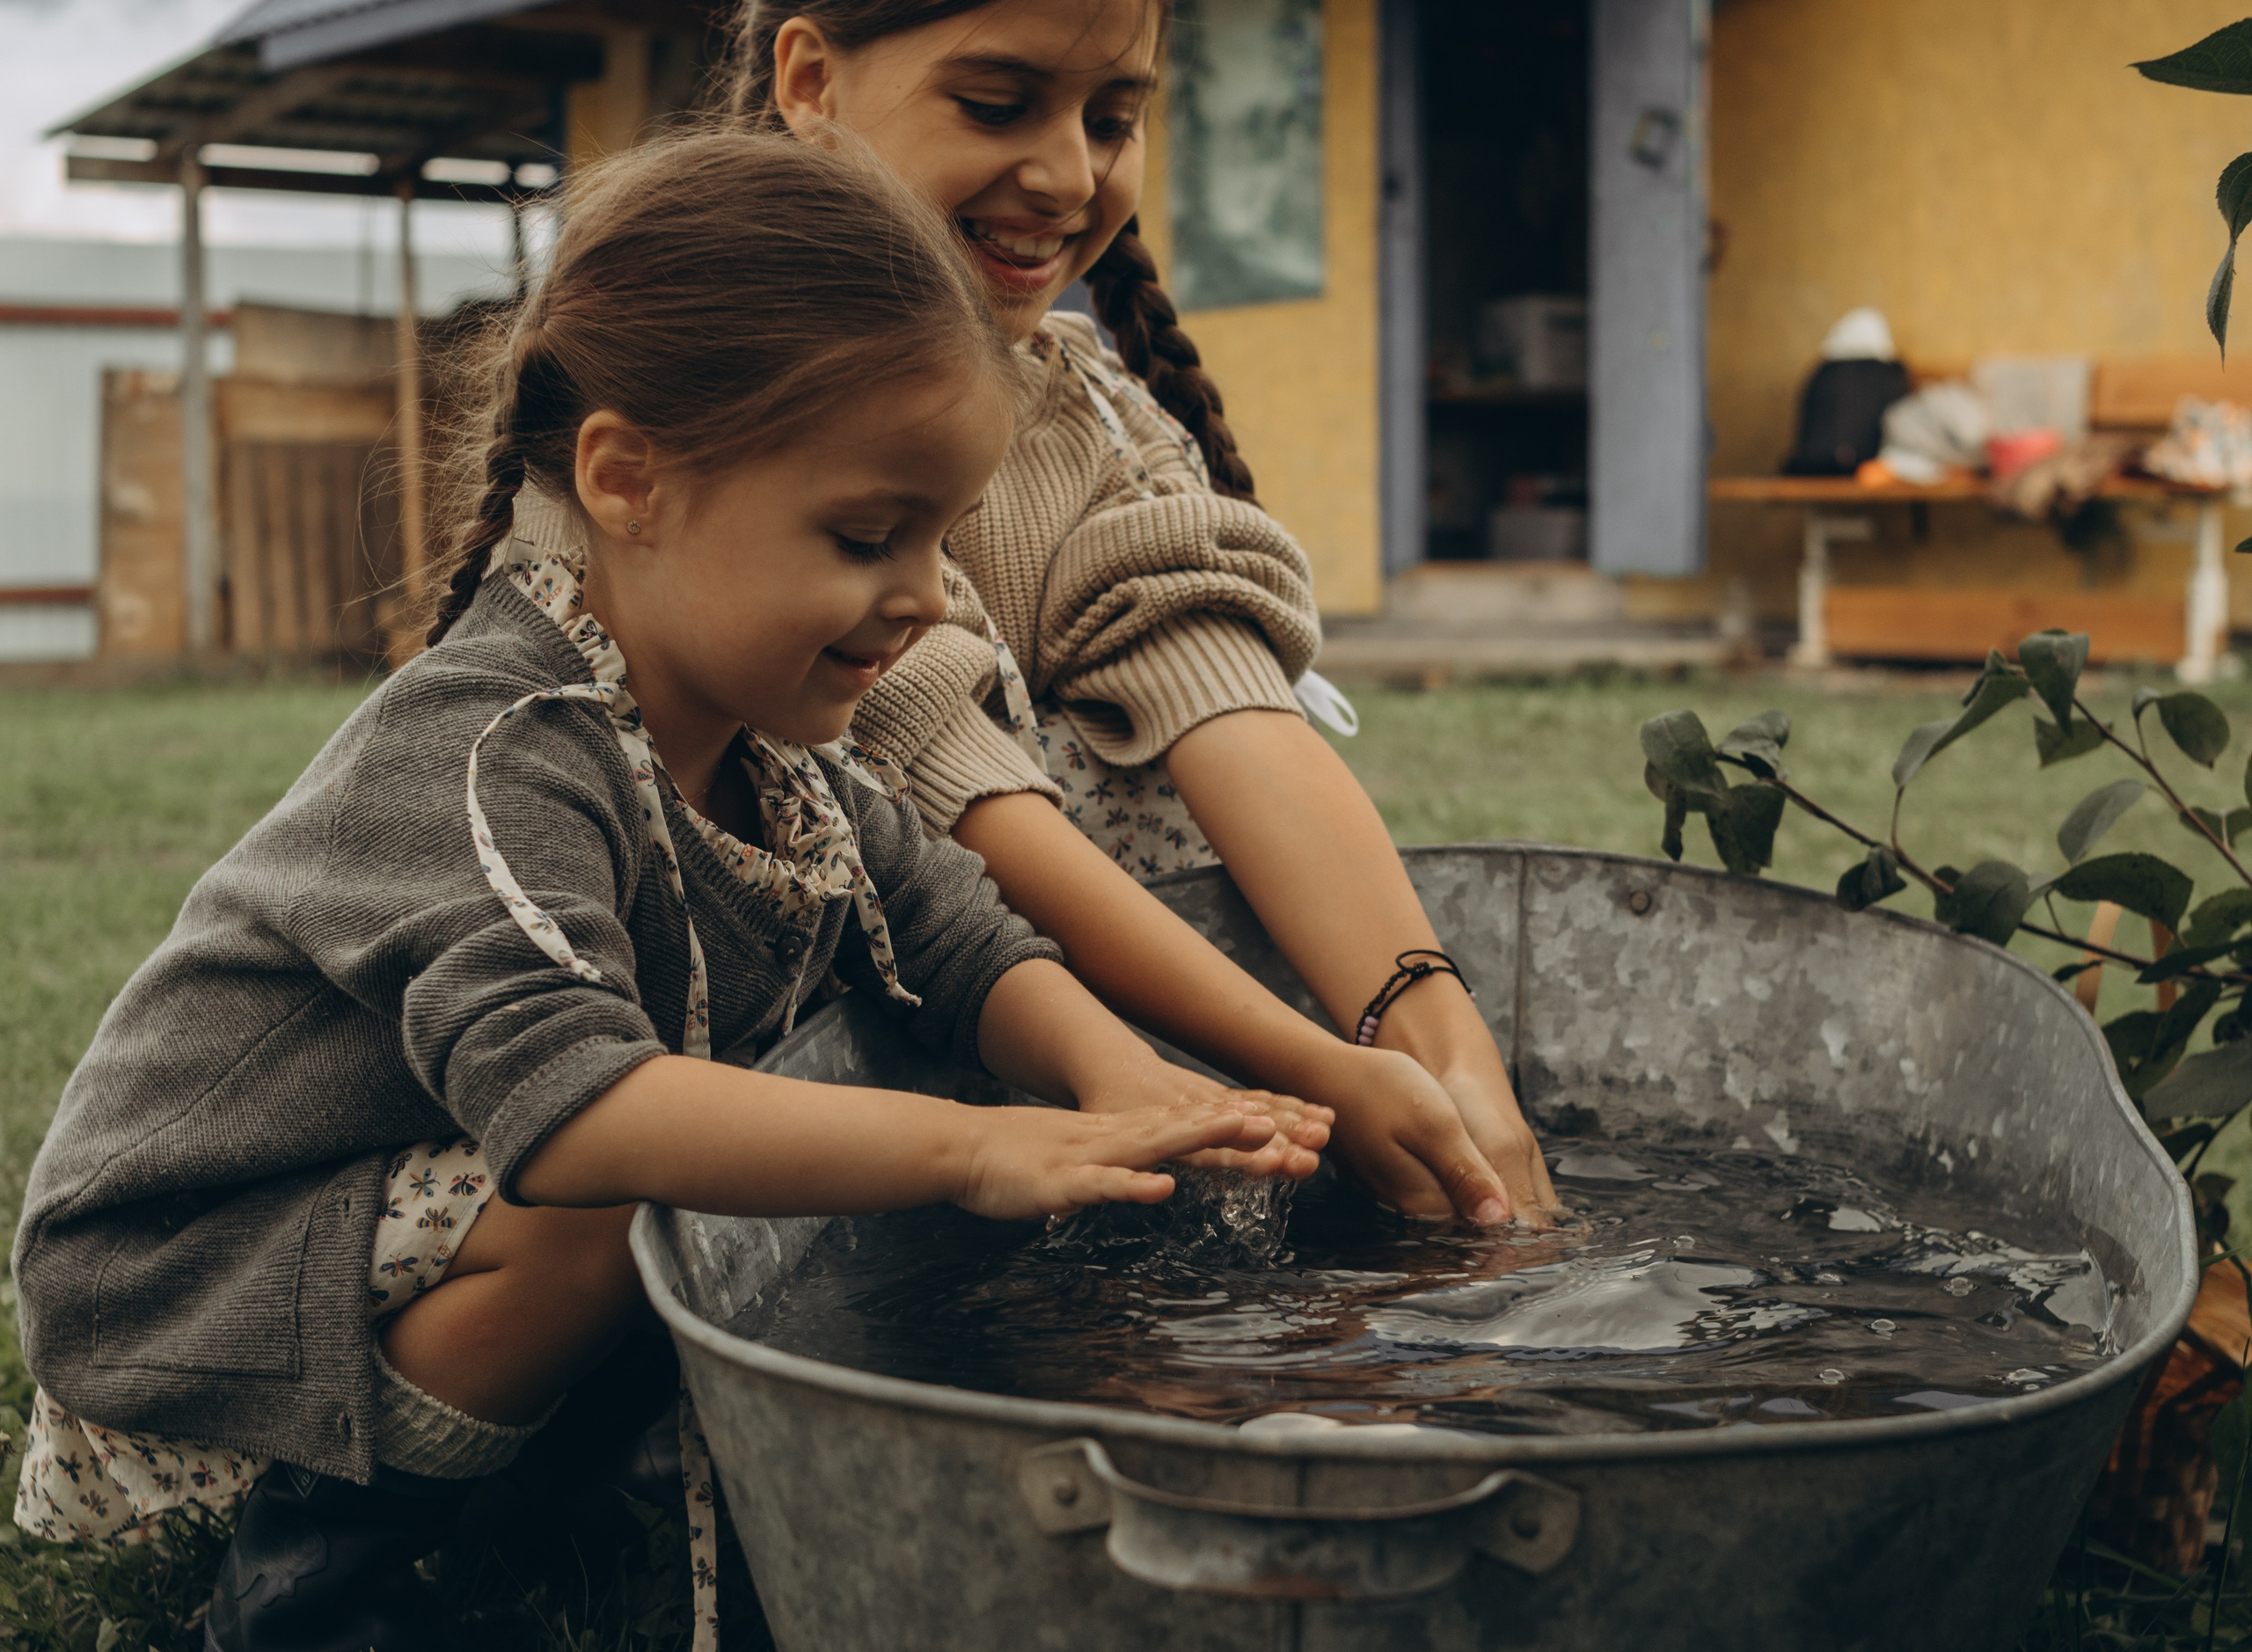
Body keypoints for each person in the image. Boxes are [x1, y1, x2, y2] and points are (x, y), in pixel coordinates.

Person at [10, 128, 1327, 1651]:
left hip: (411, 1212)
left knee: (789, 1114)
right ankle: (319, 1572)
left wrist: (1124, 1088)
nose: (921, 597)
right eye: (864, 535)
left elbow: (964, 938)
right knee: (641, 1174)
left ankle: (540, 1469)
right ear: (629, 479)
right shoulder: (495, 745)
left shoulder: (765, 743)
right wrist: (976, 1149)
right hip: (196, 1270)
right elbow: (575, 1119)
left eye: (941, 538)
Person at [725, 0, 1561, 1225]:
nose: (1068, 173)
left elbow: (1213, 680)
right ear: (811, 80)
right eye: (997, 105)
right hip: (769, 1097)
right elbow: (937, 764)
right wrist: (1316, 1065)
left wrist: (1440, 1044)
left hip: (1065, 1073)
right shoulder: (712, 404)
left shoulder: (1085, 412)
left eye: (1114, 118)